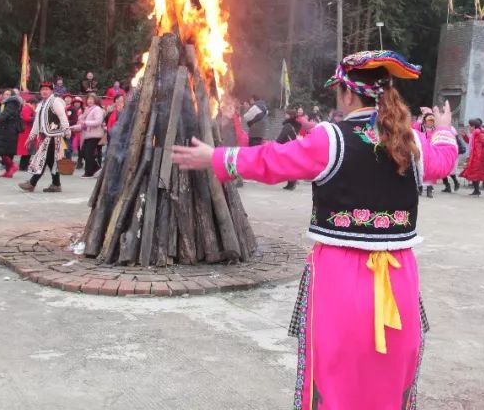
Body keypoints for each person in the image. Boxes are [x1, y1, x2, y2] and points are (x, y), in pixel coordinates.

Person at [172, 50, 461, 409]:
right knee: (388, 380)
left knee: (335, 380)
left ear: (348, 94)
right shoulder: (412, 143)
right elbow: (445, 160)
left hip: (339, 277)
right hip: (399, 279)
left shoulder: (331, 139)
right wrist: (445, 130)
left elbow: (273, 161)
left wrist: (217, 157)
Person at [19, 81, 71, 193]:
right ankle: (56, 184)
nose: (44, 91)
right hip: (45, 135)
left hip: (53, 135)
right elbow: (37, 123)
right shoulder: (41, 104)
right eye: (42, 89)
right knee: (51, 161)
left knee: (43, 158)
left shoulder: (55, 102)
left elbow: (63, 116)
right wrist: (31, 136)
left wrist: (67, 129)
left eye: (47, 89)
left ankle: (32, 183)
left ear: (51, 91)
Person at [460, 118, 484, 197]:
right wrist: (465, 136)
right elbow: (470, 142)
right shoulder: (475, 134)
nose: (469, 127)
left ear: (473, 126)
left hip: (480, 158)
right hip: (475, 157)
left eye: (470, 126)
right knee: (474, 173)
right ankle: (476, 191)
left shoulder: (479, 133)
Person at [0, 90, 23, 179]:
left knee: (4, 151)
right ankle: (9, 170)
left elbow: (4, 115)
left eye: (9, 94)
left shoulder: (12, 103)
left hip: (10, 130)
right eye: (5, 94)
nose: (6, 96)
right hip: (4, 129)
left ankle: (12, 166)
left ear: (12, 96)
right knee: (2, 151)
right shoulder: (5, 103)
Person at [79, 93, 105, 178]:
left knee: (88, 153)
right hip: (88, 135)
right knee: (84, 153)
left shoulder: (97, 109)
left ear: (95, 100)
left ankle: (89, 172)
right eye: (88, 99)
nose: (89, 101)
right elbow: (81, 122)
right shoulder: (88, 109)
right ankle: (96, 169)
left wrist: (86, 122)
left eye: (92, 99)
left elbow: (98, 121)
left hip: (95, 135)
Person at [276, 109, 302, 190]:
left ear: (290, 116)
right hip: (294, 147)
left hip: (288, 147)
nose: (285, 115)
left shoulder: (288, 125)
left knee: (288, 166)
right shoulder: (296, 125)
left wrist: (276, 143)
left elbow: (282, 136)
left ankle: (291, 183)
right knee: (291, 165)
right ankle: (291, 183)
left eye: (286, 114)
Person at [16, 96, 36, 176]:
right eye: (35, 104)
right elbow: (26, 118)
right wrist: (35, 117)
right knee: (26, 151)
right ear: (33, 103)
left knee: (28, 151)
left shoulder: (29, 108)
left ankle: (24, 165)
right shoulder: (27, 108)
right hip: (26, 131)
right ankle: (22, 166)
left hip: (28, 131)